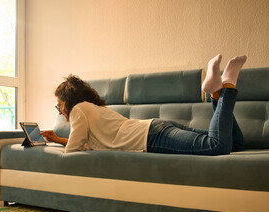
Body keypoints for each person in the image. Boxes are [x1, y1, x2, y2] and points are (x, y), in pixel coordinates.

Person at [40, 54, 246, 155]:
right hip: (156, 127)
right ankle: (218, 92)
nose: (60, 111)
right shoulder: (93, 108)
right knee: (233, 145)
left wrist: (58, 149)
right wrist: (58, 139)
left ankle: (226, 88)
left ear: (69, 102)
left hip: (150, 138)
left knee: (216, 146)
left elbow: (74, 151)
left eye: (60, 106)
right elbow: (86, 143)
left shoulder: (78, 110)